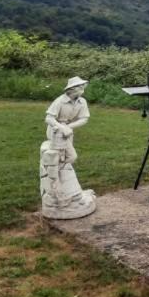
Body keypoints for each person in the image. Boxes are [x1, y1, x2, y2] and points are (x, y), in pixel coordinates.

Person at [40, 76, 96, 219]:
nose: (83, 88)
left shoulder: (81, 102)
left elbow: (84, 119)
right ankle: (57, 186)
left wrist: (68, 127)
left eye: (83, 86)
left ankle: (65, 187)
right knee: (70, 157)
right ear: (72, 89)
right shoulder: (60, 101)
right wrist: (61, 127)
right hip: (55, 131)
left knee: (69, 158)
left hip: (67, 131)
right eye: (80, 86)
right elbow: (49, 118)